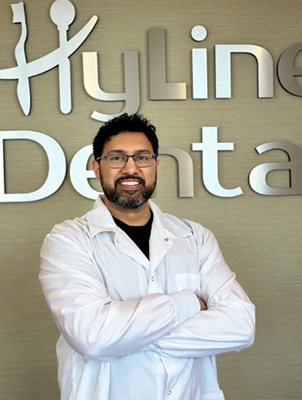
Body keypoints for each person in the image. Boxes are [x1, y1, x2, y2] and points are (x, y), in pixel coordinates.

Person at [39, 113, 255, 400]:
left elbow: (240, 327)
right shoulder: (68, 240)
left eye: (142, 157)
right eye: (116, 158)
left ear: (155, 165)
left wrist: (123, 336)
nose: (131, 168)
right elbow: (92, 337)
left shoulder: (195, 237)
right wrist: (188, 302)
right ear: (96, 167)